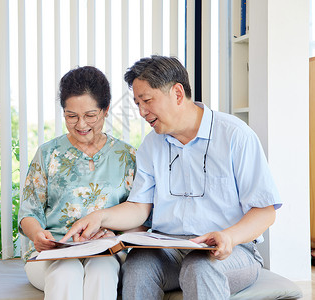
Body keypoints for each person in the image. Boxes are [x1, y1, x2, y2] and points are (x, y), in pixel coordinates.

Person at [61, 55, 281, 300]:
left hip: (230, 250)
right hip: (170, 250)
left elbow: (265, 210)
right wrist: (100, 217)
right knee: (138, 264)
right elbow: (139, 208)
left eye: (146, 101)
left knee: (200, 266)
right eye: (137, 104)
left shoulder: (235, 136)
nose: (142, 112)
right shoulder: (151, 145)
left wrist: (229, 236)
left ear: (177, 93)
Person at [17, 66, 137, 300]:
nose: (81, 124)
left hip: (106, 250)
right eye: (71, 116)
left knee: (102, 271)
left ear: (105, 110)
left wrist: (113, 233)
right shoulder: (48, 153)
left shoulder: (128, 156)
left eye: (90, 115)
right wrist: (38, 235)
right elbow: (29, 212)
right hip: (54, 253)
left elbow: (140, 216)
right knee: (67, 271)